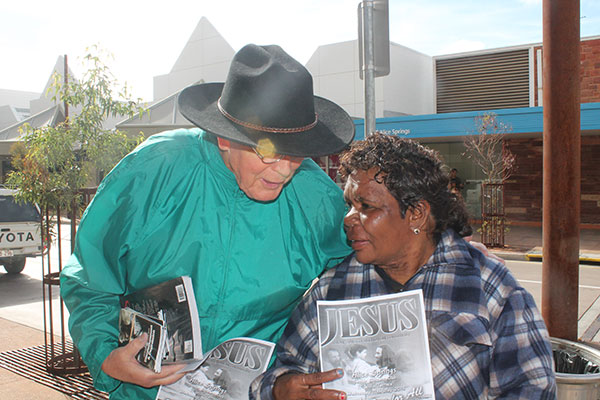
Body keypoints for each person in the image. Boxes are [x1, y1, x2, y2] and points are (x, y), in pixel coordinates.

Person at [60, 44, 355, 399]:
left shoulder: (318, 200)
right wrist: (106, 353)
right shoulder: (153, 171)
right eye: (268, 150)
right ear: (225, 137)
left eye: (297, 153)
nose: (285, 169)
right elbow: (91, 276)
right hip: (147, 392)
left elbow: (354, 285)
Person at [250, 133, 556, 400]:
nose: (348, 219)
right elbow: (279, 371)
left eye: (366, 207)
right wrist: (282, 388)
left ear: (416, 214)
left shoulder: (488, 286)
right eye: (349, 205)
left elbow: (533, 386)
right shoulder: (332, 290)